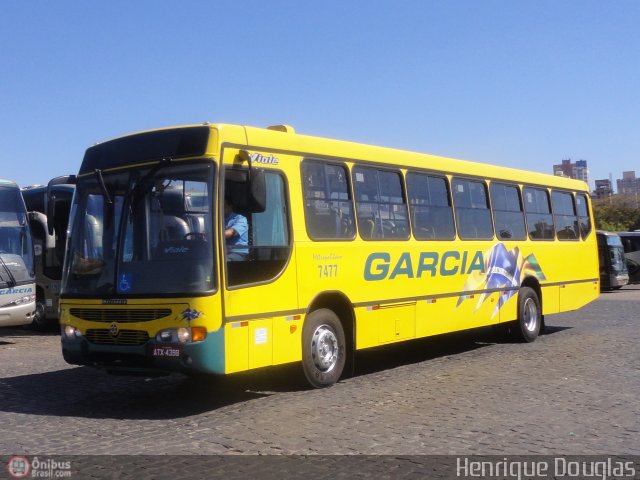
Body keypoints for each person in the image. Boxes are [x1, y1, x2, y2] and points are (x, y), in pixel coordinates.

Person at [224, 197, 249, 261]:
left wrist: (211, 234)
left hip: (238, 252)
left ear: (230, 206)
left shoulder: (241, 219)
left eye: (223, 205)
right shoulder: (217, 220)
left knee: (223, 262)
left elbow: (230, 233)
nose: (219, 208)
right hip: (222, 252)